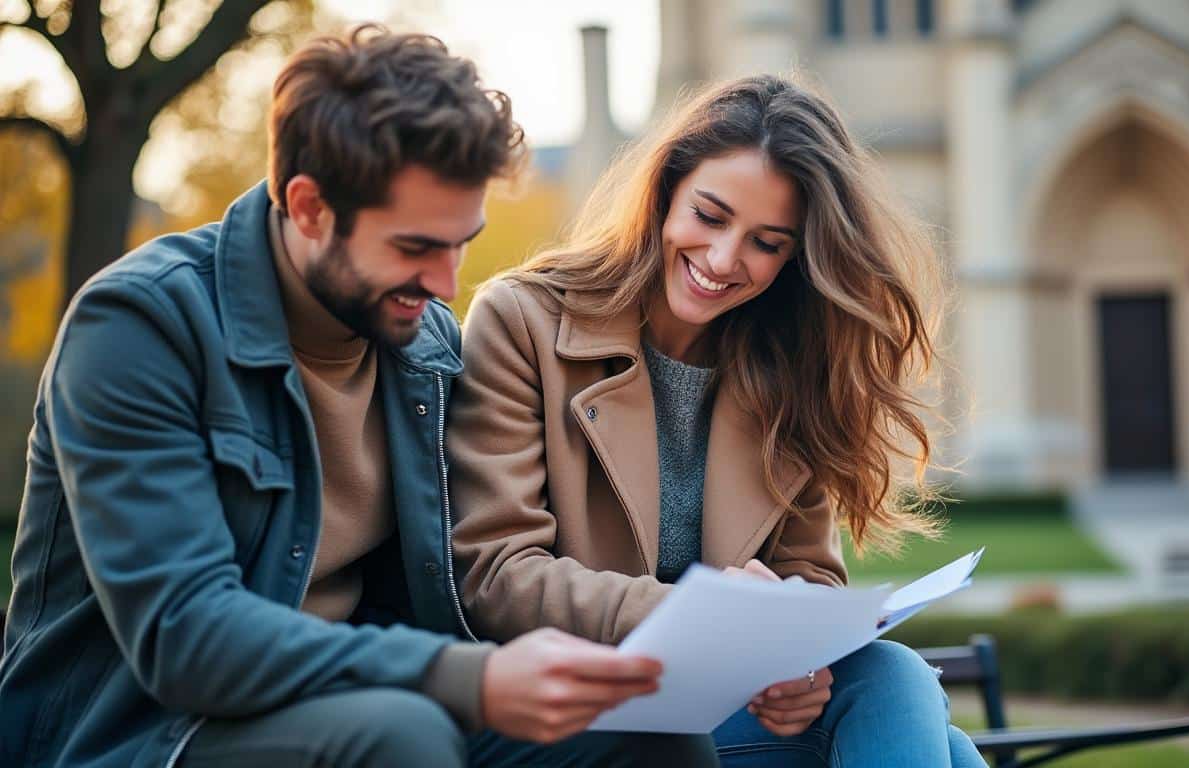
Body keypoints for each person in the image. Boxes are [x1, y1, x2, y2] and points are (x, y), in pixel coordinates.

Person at [0, 25, 719, 768]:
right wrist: (466, 678)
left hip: (368, 701)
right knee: (399, 736)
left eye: (460, 242)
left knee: (647, 727)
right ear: (309, 207)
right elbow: (186, 635)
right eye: (414, 247)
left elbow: (457, 584)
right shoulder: (141, 327)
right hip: (148, 733)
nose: (447, 285)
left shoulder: (427, 346)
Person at [446, 75, 990, 767]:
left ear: (796, 254)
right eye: (709, 216)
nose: (724, 259)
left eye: (766, 242)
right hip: (581, 714)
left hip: (719, 712)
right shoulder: (524, 321)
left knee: (890, 675)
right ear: (665, 191)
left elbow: (809, 581)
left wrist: (800, 674)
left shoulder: (793, 364)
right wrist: (699, 615)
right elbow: (497, 574)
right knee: (941, 738)